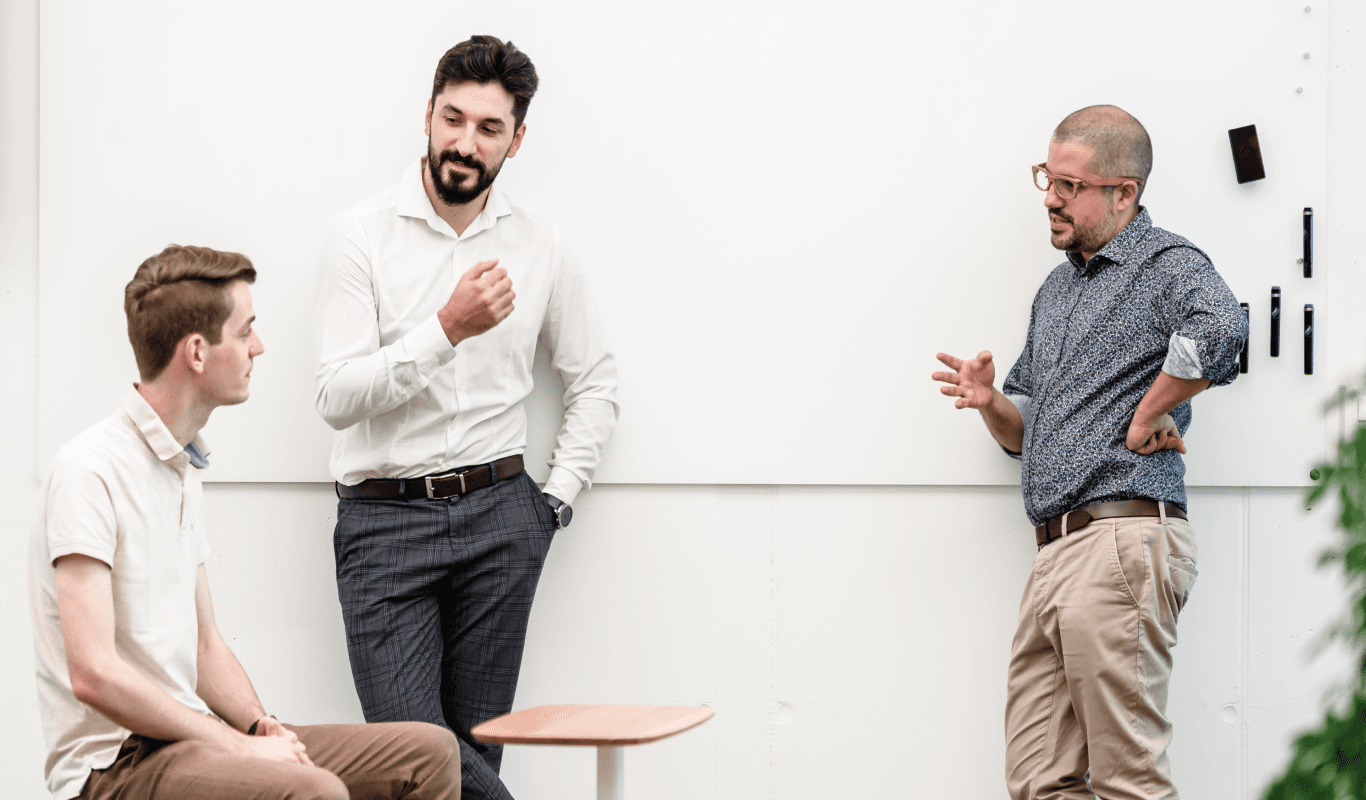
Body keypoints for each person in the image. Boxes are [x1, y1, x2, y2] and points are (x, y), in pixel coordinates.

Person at [29, 244, 462, 800]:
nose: (259, 346)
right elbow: (93, 673)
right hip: (115, 767)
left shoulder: (180, 467)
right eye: (244, 331)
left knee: (427, 754)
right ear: (198, 353)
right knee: (313, 792)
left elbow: (206, 644)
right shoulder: (88, 471)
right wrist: (237, 747)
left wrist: (261, 726)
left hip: (192, 739)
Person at [313, 36, 619, 800]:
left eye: (489, 128)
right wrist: (445, 328)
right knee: (414, 762)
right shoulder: (363, 234)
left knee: (473, 759)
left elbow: (595, 381)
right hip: (383, 529)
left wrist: (552, 505)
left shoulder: (540, 243)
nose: (464, 142)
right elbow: (336, 397)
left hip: (501, 523)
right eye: (453, 118)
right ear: (426, 115)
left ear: (516, 139)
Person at [931, 106, 1247, 799]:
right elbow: (1028, 432)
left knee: (1128, 781)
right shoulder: (1057, 290)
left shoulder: (1166, 264)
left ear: (1123, 192)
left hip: (1119, 541)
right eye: (1047, 177)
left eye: (1069, 184)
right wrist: (992, 404)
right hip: (1054, 555)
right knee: (1040, 781)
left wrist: (1149, 412)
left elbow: (1223, 327)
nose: (1050, 197)